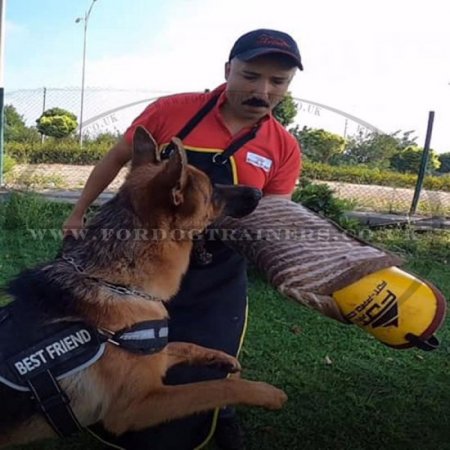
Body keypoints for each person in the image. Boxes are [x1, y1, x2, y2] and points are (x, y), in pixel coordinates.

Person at [63, 28, 303, 450]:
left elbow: (270, 213)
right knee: (121, 350)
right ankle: (111, 413)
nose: (262, 90)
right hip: (140, 264)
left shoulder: (283, 147)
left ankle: (219, 410)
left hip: (217, 275)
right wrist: (79, 210)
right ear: (228, 70)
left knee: (212, 353)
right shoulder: (173, 111)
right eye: (250, 75)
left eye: (277, 82)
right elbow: (118, 159)